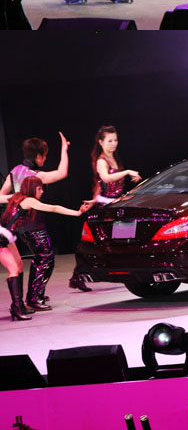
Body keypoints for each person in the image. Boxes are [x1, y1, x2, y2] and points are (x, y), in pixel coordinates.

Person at [0, 177, 92, 320]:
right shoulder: (29, 200)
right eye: (39, 188)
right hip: (2, 237)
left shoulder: (16, 197)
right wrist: (77, 213)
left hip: (7, 237)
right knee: (14, 269)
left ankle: (19, 305)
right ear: (31, 189)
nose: (42, 191)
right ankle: (17, 308)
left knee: (18, 267)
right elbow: (54, 208)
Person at [0, 131, 70, 311]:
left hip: (19, 225)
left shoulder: (14, 171)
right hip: (33, 223)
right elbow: (62, 173)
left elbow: (1, 195)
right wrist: (64, 148)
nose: (45, 159)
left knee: (41, 257)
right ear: (38, 156)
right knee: (45, 257)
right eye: (44, 156)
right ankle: (34, 298)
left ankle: (34, 295)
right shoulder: (35, 176)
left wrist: (15, 199)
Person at [69, 124, 142, 292]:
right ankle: (77, 276)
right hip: (106, 207)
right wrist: (127, 172)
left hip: (116, 205)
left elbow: (99, 185)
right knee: (97, 243)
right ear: (101, 142)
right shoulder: (102, 161)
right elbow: (106, 179)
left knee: (123, 240)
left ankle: (129, 272)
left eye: (115, 140)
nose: (114, 143)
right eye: (110, 140)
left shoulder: (114, 158)